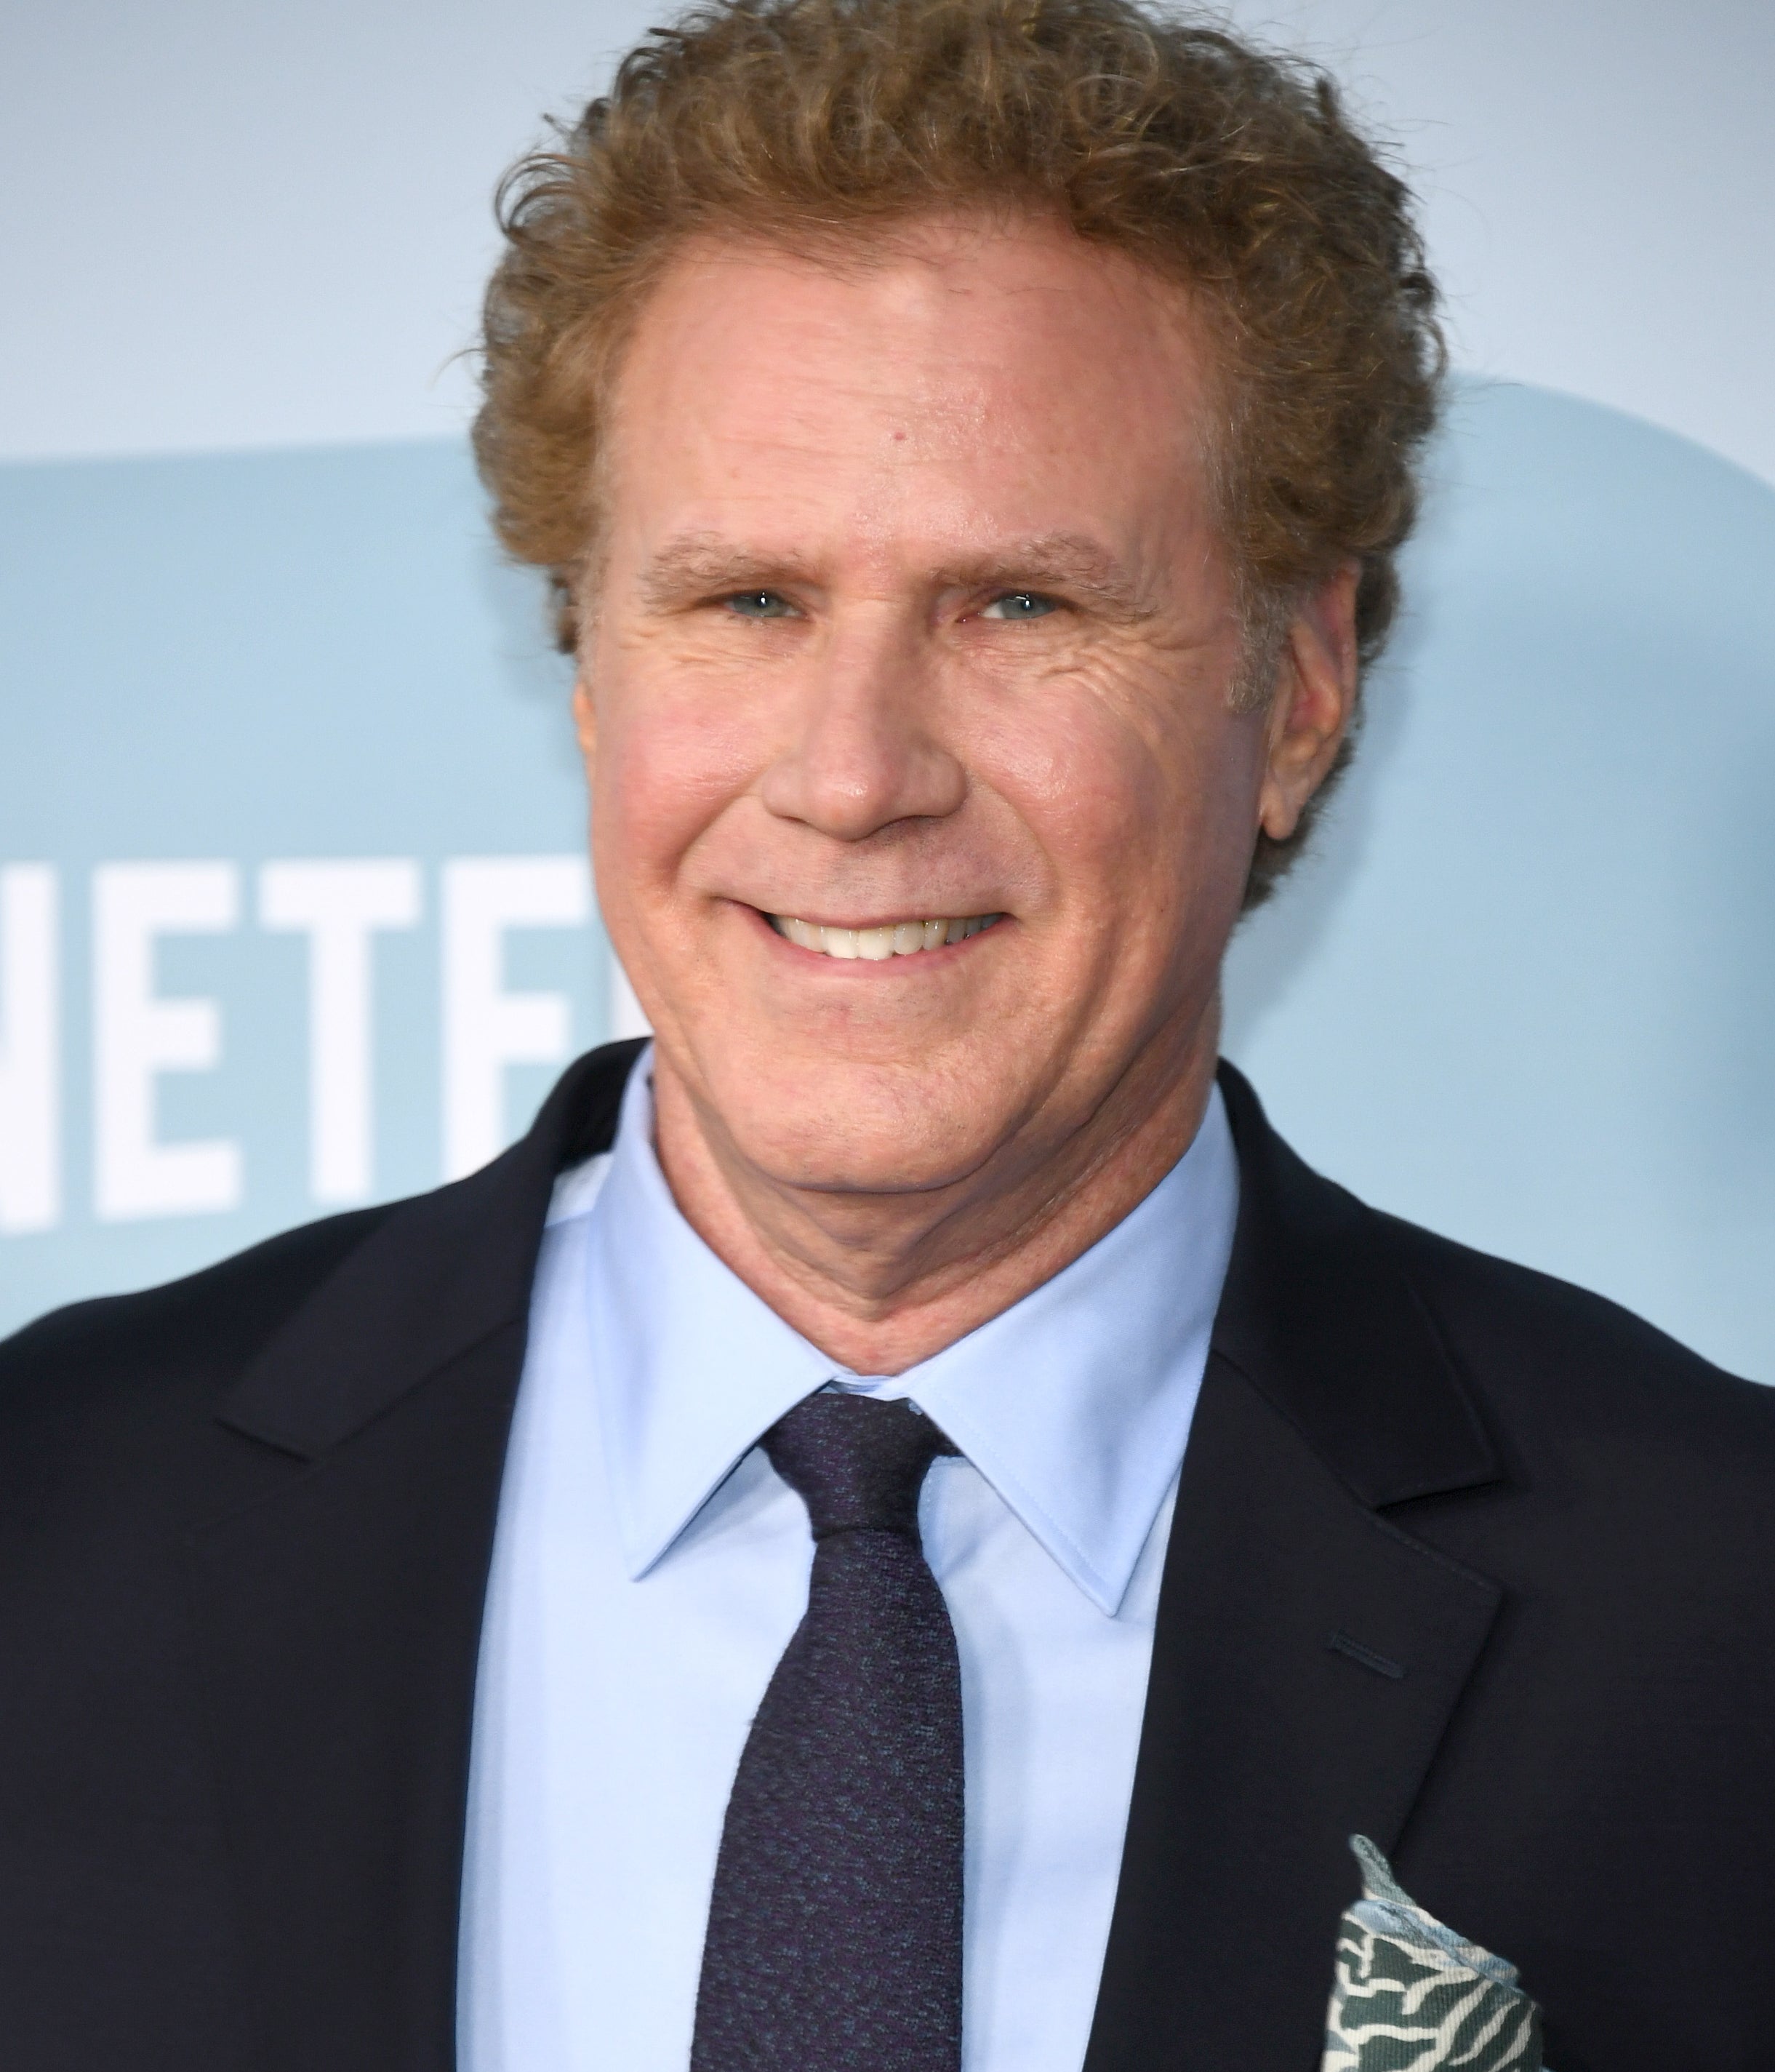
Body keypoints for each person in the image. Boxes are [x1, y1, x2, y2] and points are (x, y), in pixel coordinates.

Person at [1, 1, 1771, 2067]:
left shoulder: (1714, 1610)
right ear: (589, 672)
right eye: (743, 600)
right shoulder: (51, 1524)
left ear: (1296, 686)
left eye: (1015, 605)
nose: (852, 777)